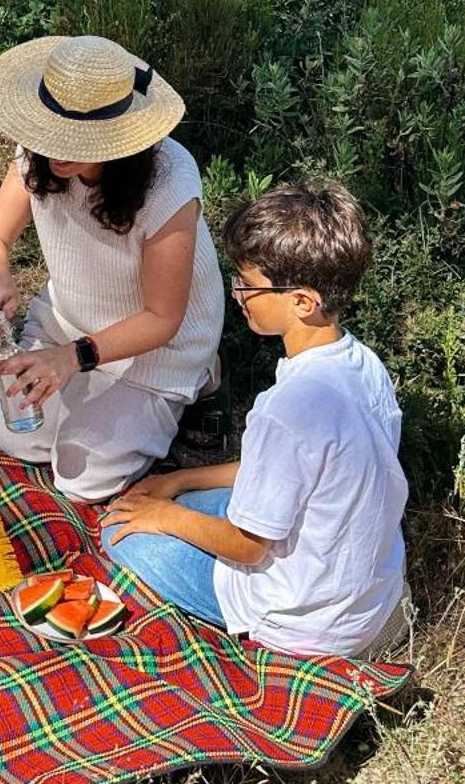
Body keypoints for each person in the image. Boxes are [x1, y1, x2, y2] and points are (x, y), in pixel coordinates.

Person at [100, 182, 410, 660]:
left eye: (248, 283)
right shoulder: (364, 365)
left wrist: (165, 516)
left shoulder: (288, 409)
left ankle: (252, 629)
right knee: (190, 502)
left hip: (304, 621)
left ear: (303, 301)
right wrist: (180, 481)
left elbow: (248, 547)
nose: (239, 294)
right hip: (364, 592)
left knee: (121, 535)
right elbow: (283, 474)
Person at [0, 35, 224, 501]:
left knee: (81, 479)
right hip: (69, 318)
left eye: (74, 141)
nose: (54, 153)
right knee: (19, 436)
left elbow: (162, 318)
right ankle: (91, 395)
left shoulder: (168, 180)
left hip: (154, 349)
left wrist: (70, 359)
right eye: (49, 134)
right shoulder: (37, 151)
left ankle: (195, 379)